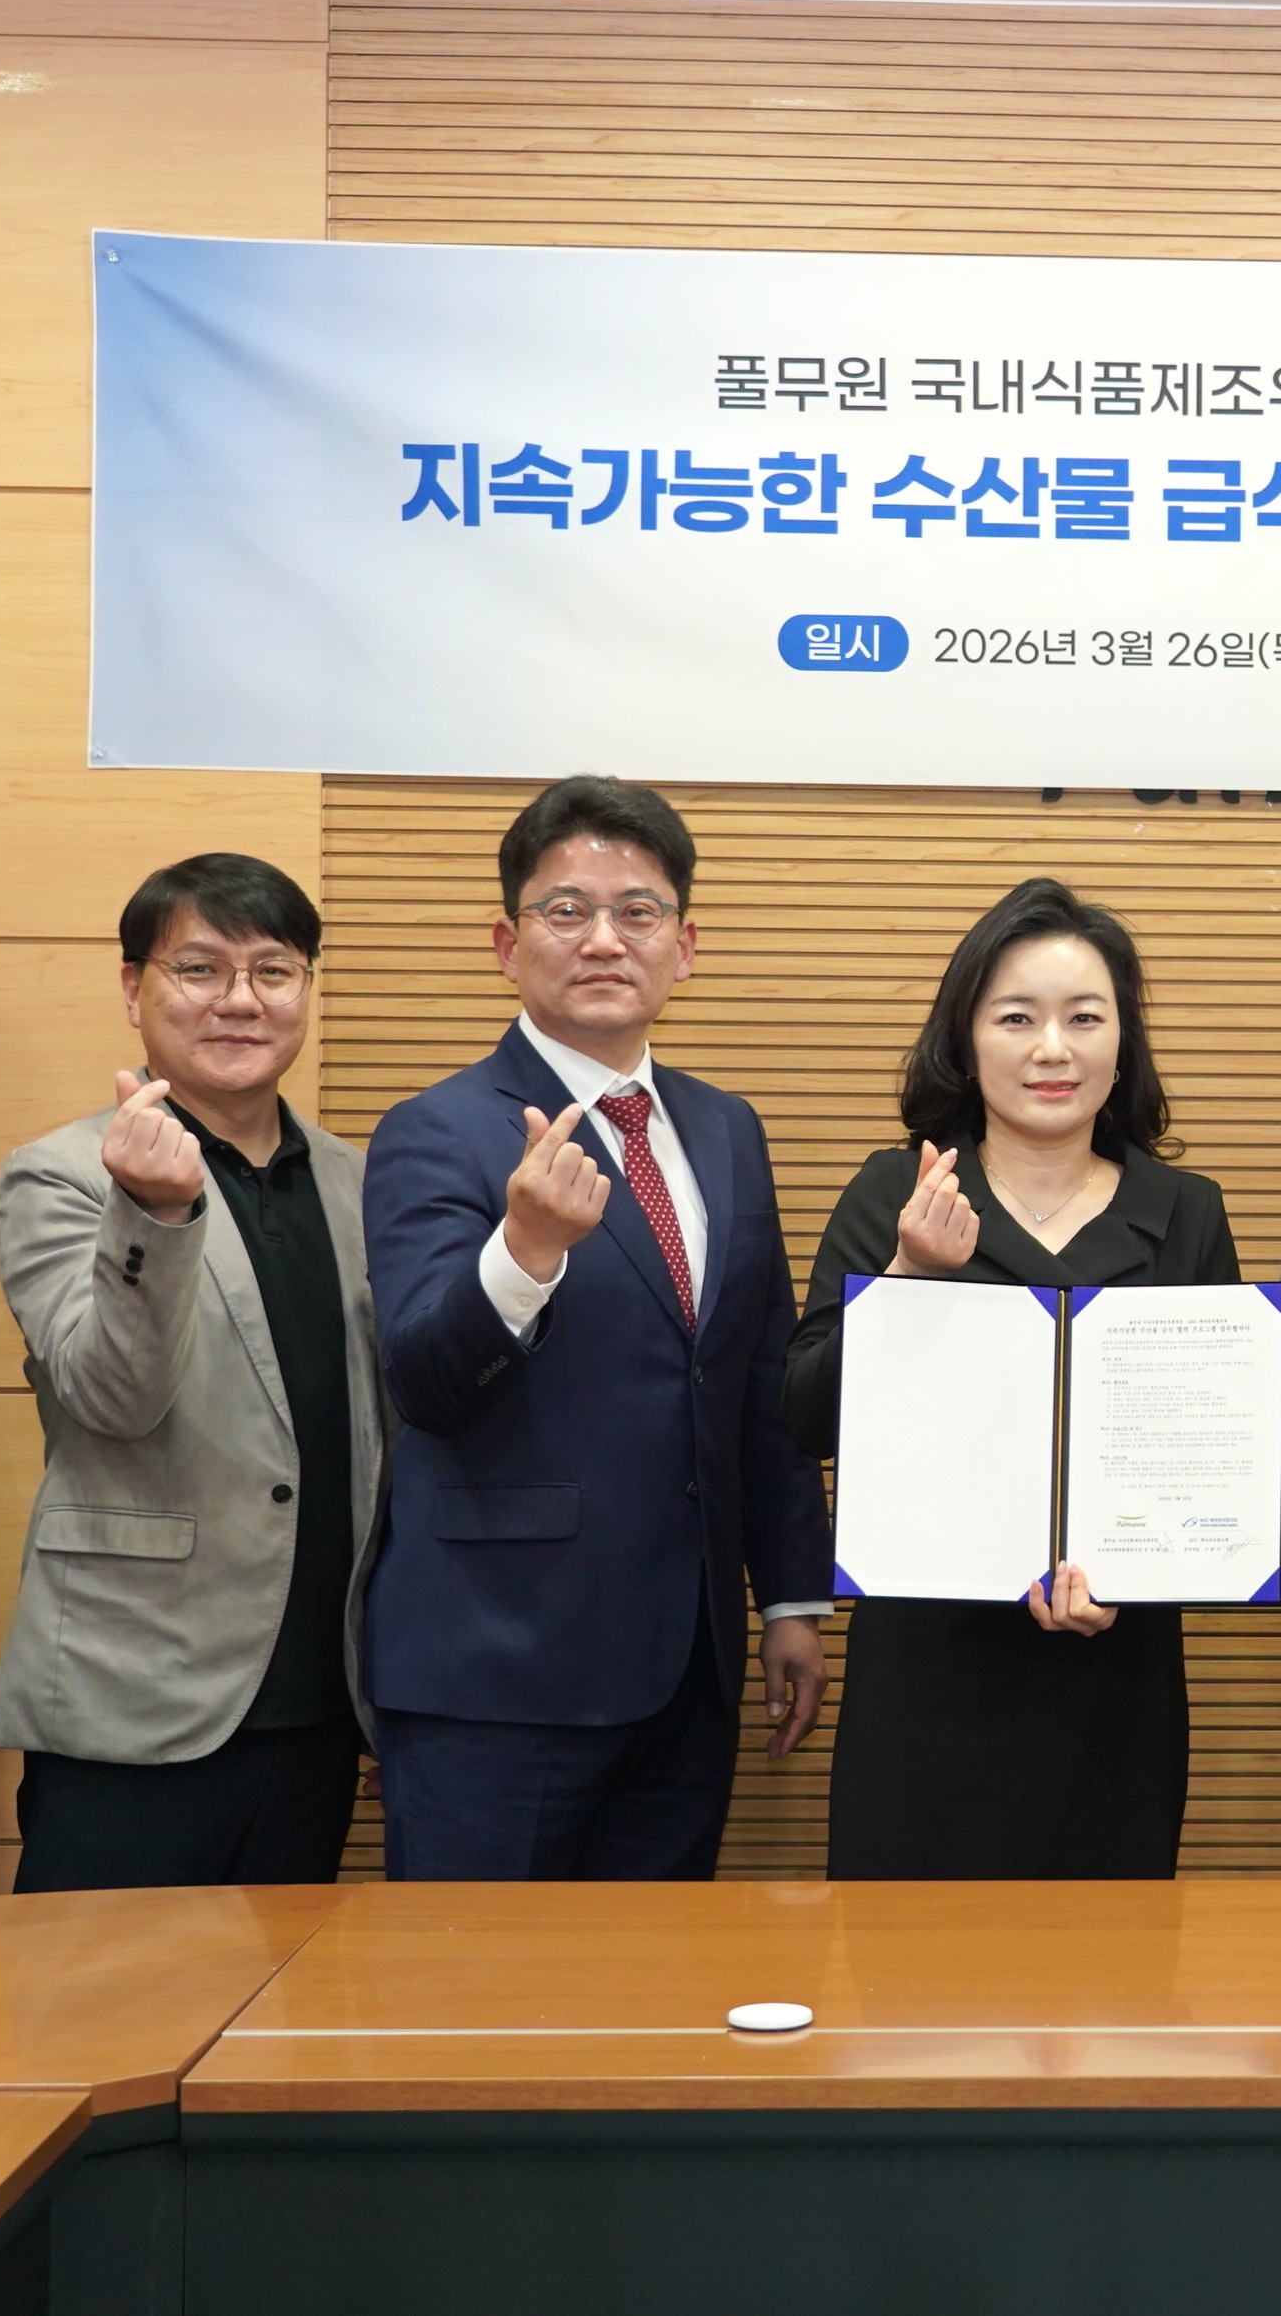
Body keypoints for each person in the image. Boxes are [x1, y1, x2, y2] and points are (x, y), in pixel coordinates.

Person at [359, 777, 831, 1880]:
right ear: (507, 944)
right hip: (496, 1669)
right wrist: (524, 1250)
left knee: (653, 1978)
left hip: (688, 1667)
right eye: (566, 910)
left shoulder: (726, 1129)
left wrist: (790, 1598)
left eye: (639, 912)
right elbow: (423, 1383)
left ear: (685, 946)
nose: (605, 939)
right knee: (470, 1980)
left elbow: (753, 1377)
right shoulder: (434, 1130)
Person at [783, 879, 1237, 1878]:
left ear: (1123, 1041)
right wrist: (907, 1277)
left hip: (1112, 1678)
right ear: (965, 1035)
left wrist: (1132, 1576)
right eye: (1017, 1018)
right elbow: (805, 1417)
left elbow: (1205, 1456)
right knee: (909, 1970)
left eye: (1085, 1018)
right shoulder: (895, 1194)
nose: (1051, 1050)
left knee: (1109, 1966)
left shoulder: (1186, 1212)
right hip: (925, 1676)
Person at [0, 856, 385, 1890]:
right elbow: (110, 1396)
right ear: (134, 989)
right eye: (199, 969)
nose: (240, 1000)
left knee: (283, 1995)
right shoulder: (62, 1174)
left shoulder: (358, 1181)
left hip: (321, 1698)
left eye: (273, 971)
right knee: (98, 1990)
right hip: (136, 1695)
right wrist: (154, 1215)